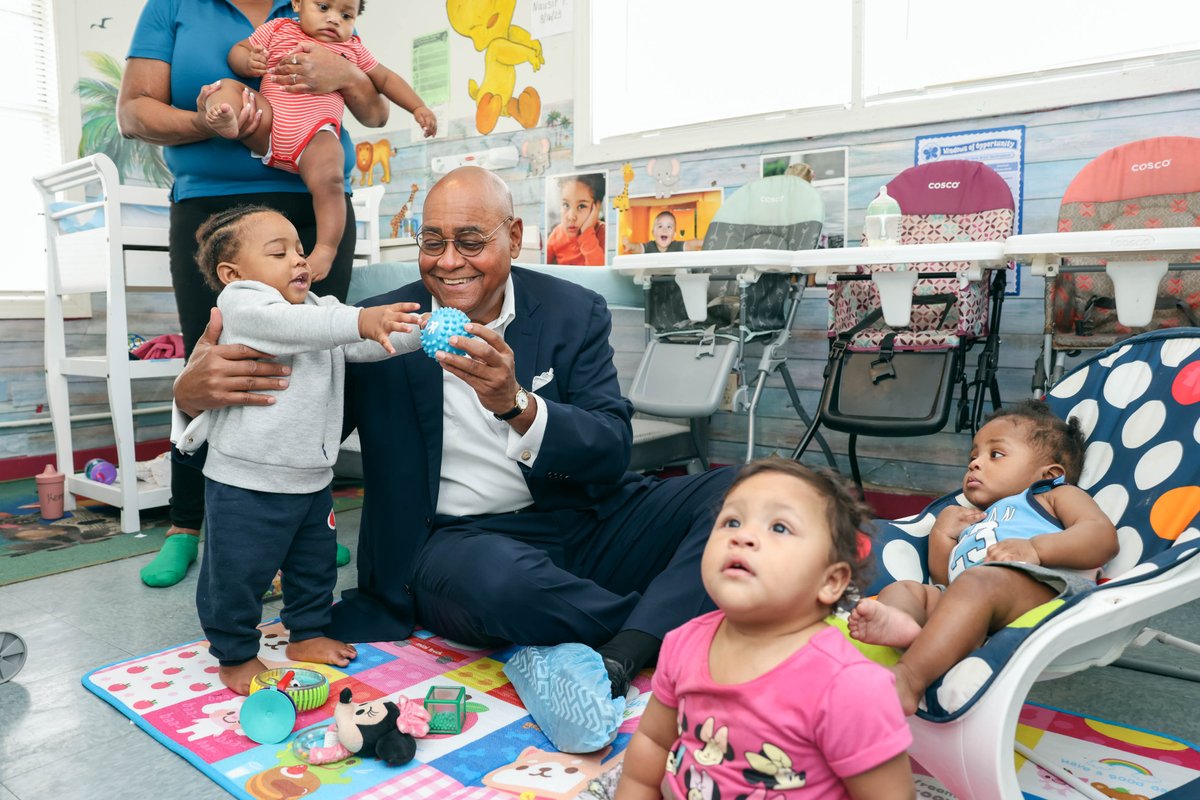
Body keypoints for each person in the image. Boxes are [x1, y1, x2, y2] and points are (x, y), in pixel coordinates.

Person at [172, 165, 738, 743]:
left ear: (513, 238)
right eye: (433, 242)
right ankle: (673, 617)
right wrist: (190, 400)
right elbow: (293, 424)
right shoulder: (376, 323)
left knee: (745, 492)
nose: (448, 261)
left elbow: (611, 449)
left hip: (586, 517)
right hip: (458, 543)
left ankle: (621, 641)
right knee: (500, 587)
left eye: (470, 242)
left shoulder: (572, 310)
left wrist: (517, 403)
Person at [119, 0, 391, 589]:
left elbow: (372, 107)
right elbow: (133, 113)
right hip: (212, 207)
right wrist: (207, 124)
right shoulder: (174, 8)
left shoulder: (313, 7)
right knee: (214, 357)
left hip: (317, 208)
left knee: (315, 360)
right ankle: (190, 523)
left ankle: (301, 527)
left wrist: (344, 73)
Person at [181, 205, 423, 693]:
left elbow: (361, 345)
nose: (298, 260)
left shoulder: (314, 309)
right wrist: (359, 318)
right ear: (234, 273)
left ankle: (306, 631)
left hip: (310, 476)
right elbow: (305, 330)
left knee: (313, 564)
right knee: (237, 573)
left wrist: (428, 336)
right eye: (279, 252)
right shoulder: (243, 306)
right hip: (245, 481)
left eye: (299, 249)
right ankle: (233, 652)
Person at [616, 458, 914, 800]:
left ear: (831, 581)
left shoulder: (849, 685)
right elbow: (653, 742)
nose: (743, 536)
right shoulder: (683, 642)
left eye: (779, 527)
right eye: (731, 521)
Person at [848, 399, 1118, 715]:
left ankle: (909, 678)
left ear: (1049, 472)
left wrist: (1036, 549)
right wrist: (943, 536)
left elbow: (1102, 537)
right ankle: (912, 635)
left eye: (996, 454)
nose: (975, 463)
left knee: (979, 582)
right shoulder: (978, 516)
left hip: (1040, 594)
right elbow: (946, 580)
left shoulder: (1053, 496)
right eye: (973, 456)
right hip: (972, 599)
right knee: (905, 590)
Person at [202, 0, 437, 282]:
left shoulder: (351, 49)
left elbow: (386, 80)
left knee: (331, 180)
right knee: (226, 88)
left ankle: (325, 248)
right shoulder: (277, 28)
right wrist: (248, 61)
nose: (334, 19)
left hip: (314, 138)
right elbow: (238, 51)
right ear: (298, 4)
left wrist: (417, 107)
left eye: (346, 14)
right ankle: (227, 121)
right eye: (324, 7)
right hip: (269, 125)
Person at [545, 173, 606, 265]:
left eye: (581, 206)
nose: (571, 217)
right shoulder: (557, 234)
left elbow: (598, 273)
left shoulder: (603, 233)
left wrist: (586, 233)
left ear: (596, 207)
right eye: (566, 205)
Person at [621, 210, 701, 255]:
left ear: (674, 235)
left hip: (675, 282)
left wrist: (702, 242)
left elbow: (690, 244)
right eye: (660, 226)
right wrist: (630, 245)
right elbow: (638, 248)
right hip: (653, 283)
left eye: (669, 227)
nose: (664, 230)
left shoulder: (676, 246)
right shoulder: (650, 246)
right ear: (653, 233)